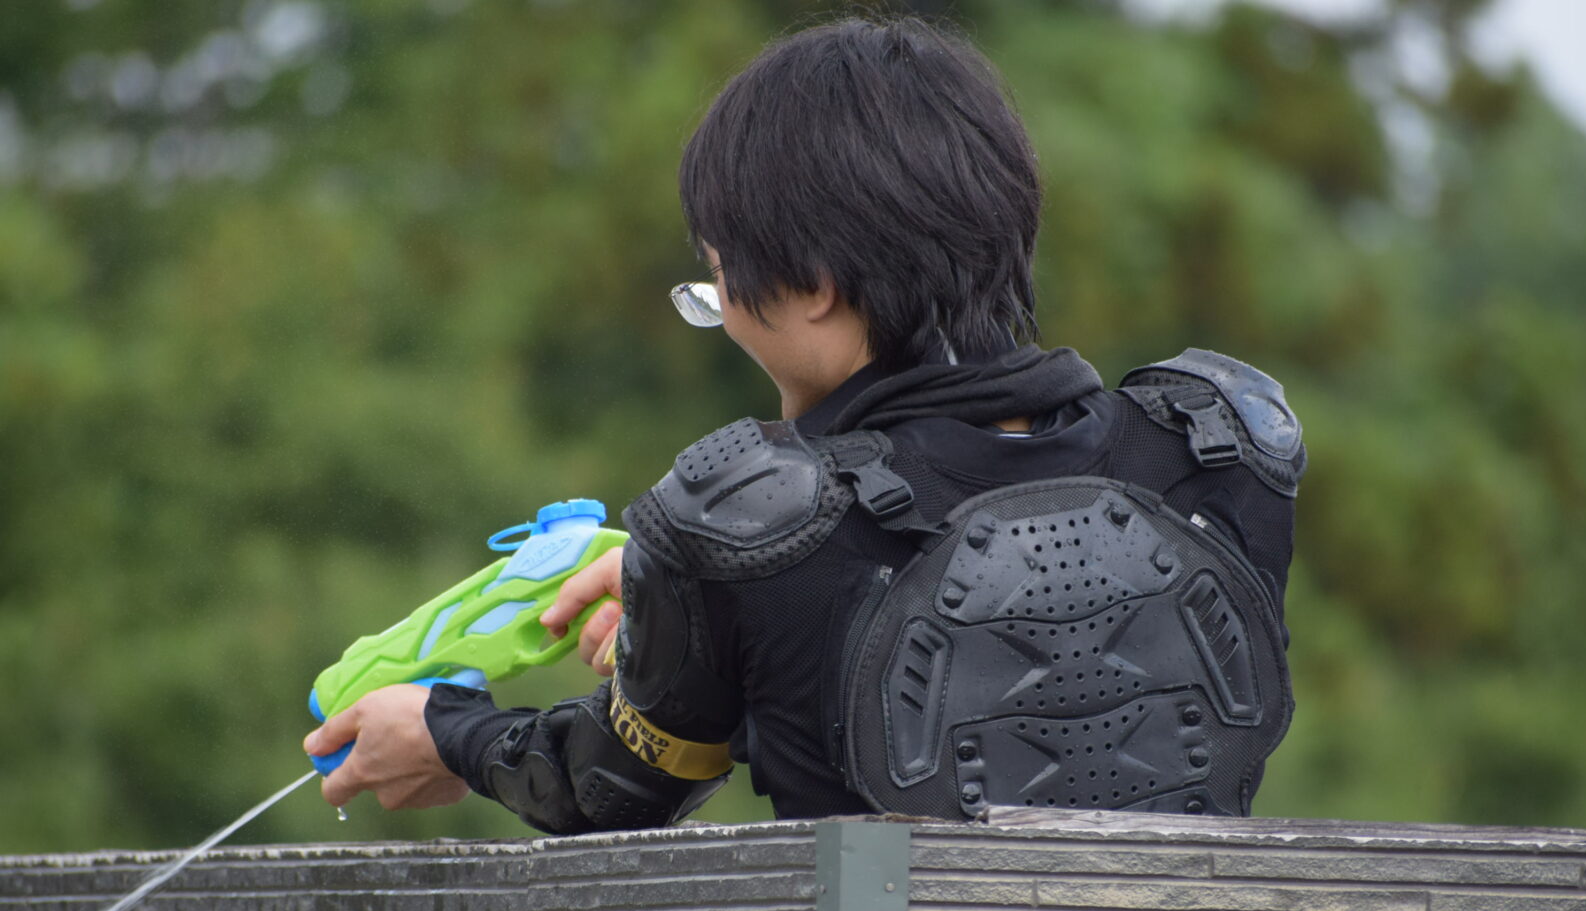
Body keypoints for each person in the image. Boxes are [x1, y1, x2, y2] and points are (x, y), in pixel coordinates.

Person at [304, 15, 1303, 831]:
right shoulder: (1220, 445)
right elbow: (1054, 692)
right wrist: (680, 616)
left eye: (717, 278)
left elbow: (611, 791)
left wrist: (451, 734)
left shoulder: (754, 527)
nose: (724, 311)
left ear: (814, 285)